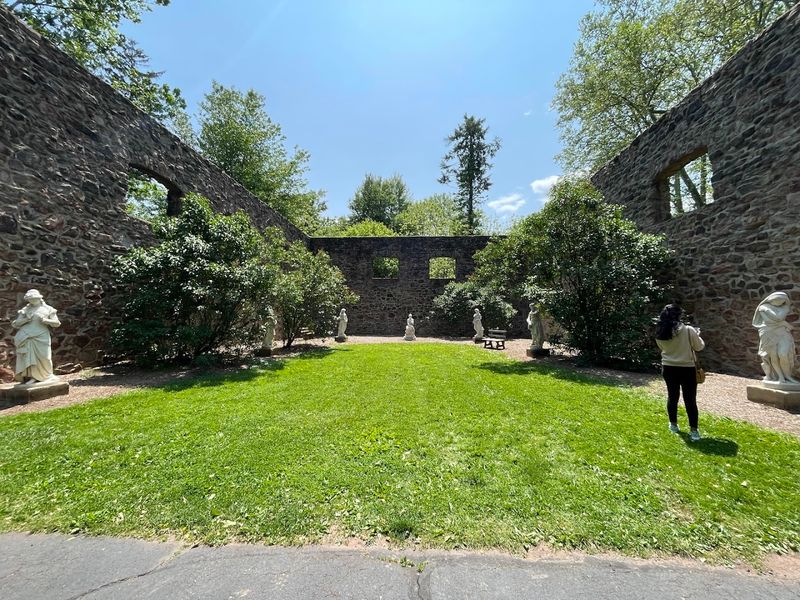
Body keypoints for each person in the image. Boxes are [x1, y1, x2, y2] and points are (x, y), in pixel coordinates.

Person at [655, 304, 705, 441]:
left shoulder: (660, 331)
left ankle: (673, 425)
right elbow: (699, 347)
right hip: (687, 368)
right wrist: (697, 335)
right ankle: (694, 431)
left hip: (668, 367)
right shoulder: (688, 330)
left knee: (672, 397)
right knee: (690, 400)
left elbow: (662, 347)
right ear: (679, 315)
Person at [12, 289, 61, 383]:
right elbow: (15, 324)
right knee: (29, 357)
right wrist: (26, 319)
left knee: (45, 357)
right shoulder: (25, 310)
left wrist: (46, 321)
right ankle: (32, 377)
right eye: (30, 300)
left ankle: (47, 375)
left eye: (34, 299)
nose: (32, 301)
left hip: (42, 335)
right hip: (26, 335)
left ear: (39, 298)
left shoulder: (48, 309)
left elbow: (57, 323)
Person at [752, 292, 799, 384]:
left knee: (783, 354)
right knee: (772, 357)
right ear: (771, 299)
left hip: (782, 333)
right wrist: (783, 323)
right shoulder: (762, 307)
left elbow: (779, 318)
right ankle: (779, 377)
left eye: (781, 301)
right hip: (768, 332)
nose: (779, 302)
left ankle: (787, 376)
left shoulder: (784, 307)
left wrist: (767, 311)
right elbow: (768, 321)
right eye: (777, 300)